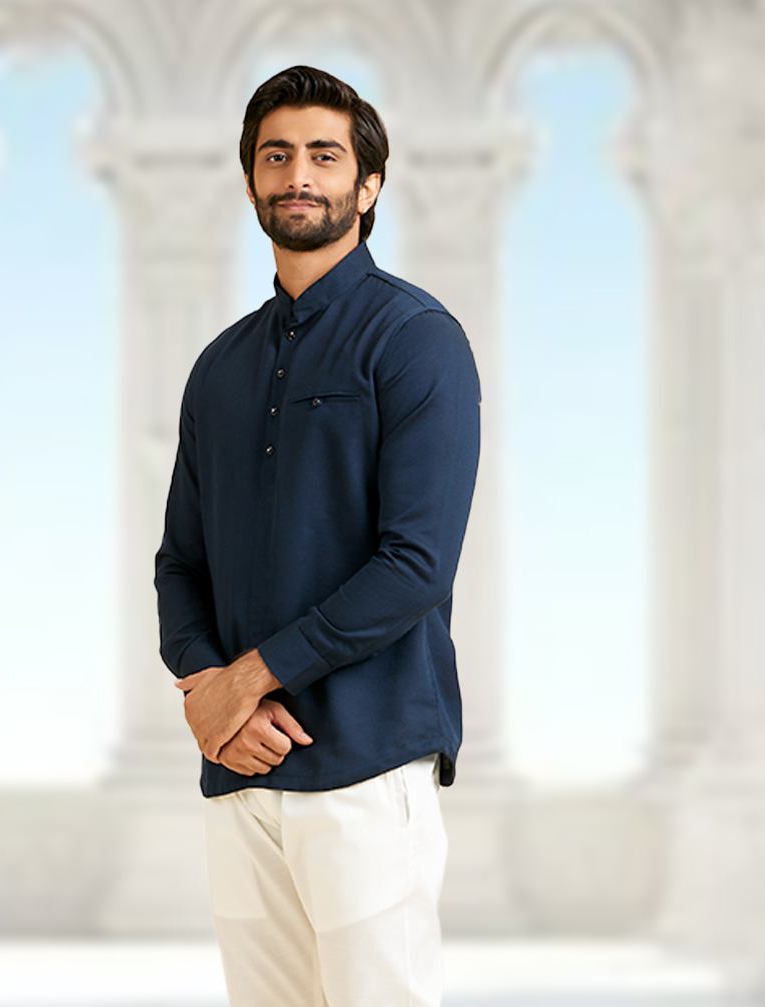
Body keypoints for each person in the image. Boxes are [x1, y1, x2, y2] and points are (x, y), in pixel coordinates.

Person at [152, 64, 482, 1006]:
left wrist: (246, 680)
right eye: (277, 154)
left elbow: (415, 563)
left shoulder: (416, 339)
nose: (298, 173)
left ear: (367, 186)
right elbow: (182, 558)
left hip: (368, 769)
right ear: (252, 180)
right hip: (243, 773)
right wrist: (208, 694)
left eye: (324, 155)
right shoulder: (220, 366)